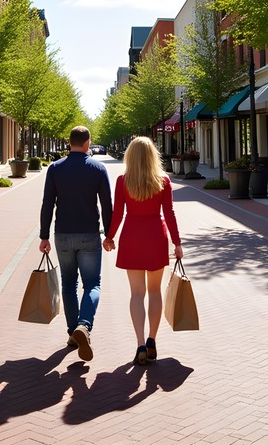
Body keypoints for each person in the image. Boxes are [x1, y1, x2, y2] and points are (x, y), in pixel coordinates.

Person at [103, 136, 183, 366]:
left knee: (136, 294)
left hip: (132, 237)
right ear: (152, 156)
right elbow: (169, 215)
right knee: (155, 291)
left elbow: (118, 213)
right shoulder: (163, 181)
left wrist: (109, 237)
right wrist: (177, 243)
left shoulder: (123, 181)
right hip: (156, 236)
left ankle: (139, 343)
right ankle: (152, 340)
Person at [39, 126, 112, 362]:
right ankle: (84, 325)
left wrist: (44, 236)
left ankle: (73, 333)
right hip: (89, 235)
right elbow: (107, 205)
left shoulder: (55, 168)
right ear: (88, 143)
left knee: (68, 284)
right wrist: (109, 234)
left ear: (69, 143)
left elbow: (47, 203)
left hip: (62, 234)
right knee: (92, 284)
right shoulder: (98, 169)